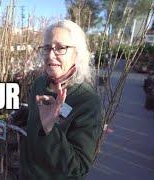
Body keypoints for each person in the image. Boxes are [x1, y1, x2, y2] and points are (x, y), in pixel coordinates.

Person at [20, 20, 103, 180]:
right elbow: (34, 120)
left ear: (77, 53)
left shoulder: (87, 101)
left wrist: (50, 129)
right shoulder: (39, 84)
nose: (51, 55)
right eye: (47, 48)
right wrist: (24, 116)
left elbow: (78, 167)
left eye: (60, 48)